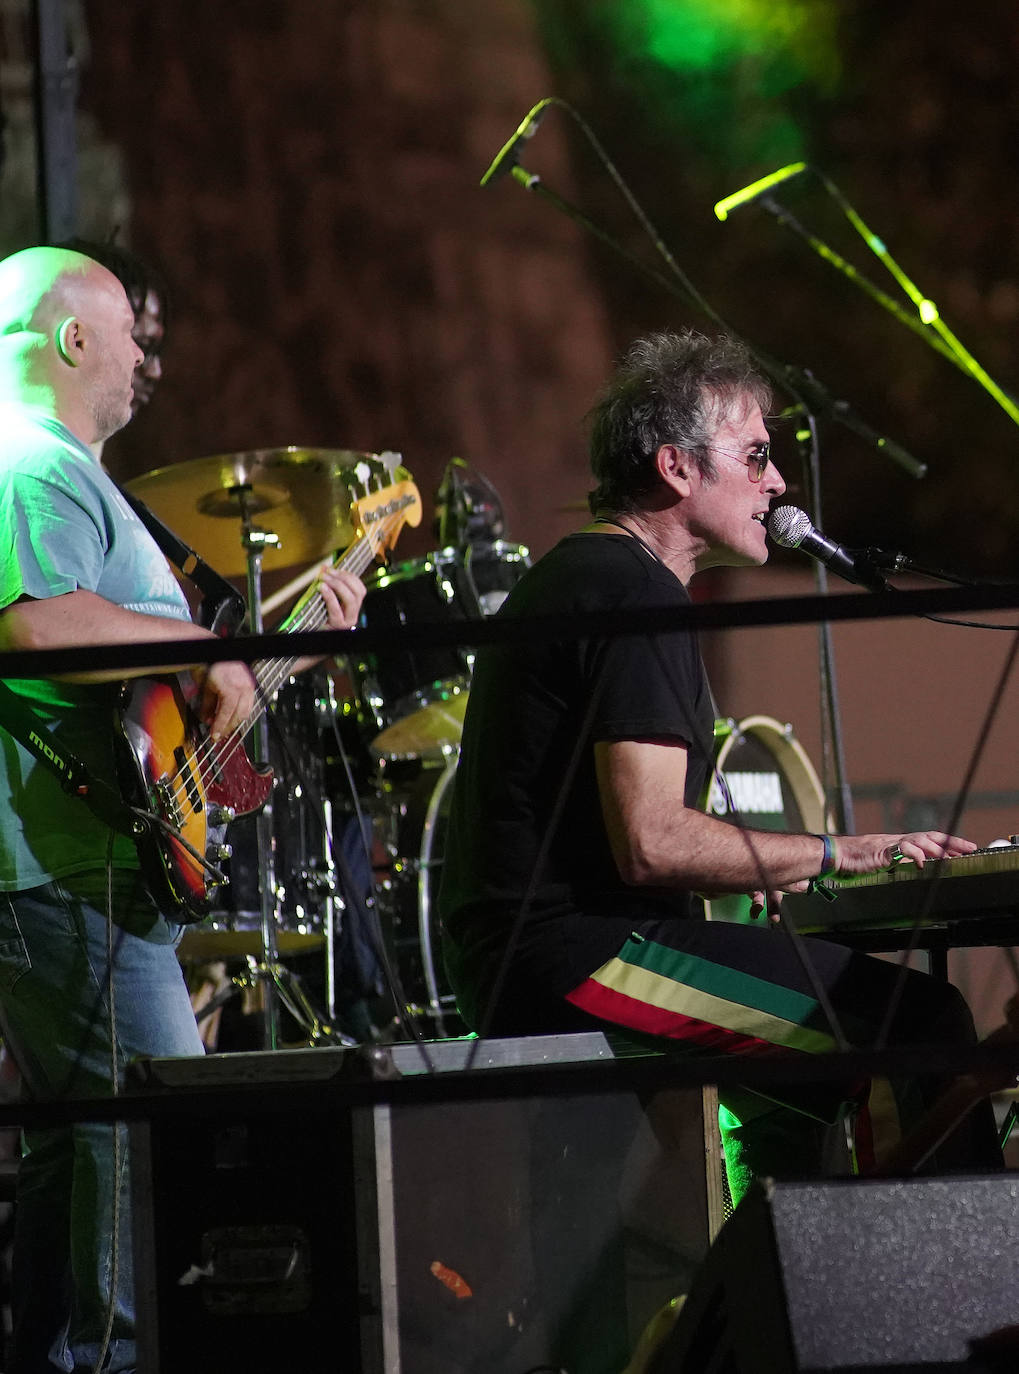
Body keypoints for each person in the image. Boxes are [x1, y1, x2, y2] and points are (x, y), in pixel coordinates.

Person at [439, 328, 1002, 1204]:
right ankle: (953, 1283)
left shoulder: (590, 575)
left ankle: (789, 1278)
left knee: (794, 1108)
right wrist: (841, 851)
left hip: (537, 954)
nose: (777, 483)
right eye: (755, 456)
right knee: (914, 1026)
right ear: (675, 467)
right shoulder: (632, 592)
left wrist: (765, 870)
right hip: (573, 959)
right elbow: (651, 842)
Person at [0, 245, 366, 1373]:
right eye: (129, 334)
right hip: (70, 869)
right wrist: (209, 646)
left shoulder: (74, 477)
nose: (143, 357)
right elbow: (35, 627)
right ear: (72, 339)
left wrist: (274, 661)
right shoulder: (30, 462)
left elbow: (167, 721)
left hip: (92, 864)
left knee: (80, 1156)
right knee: (152, 1141)